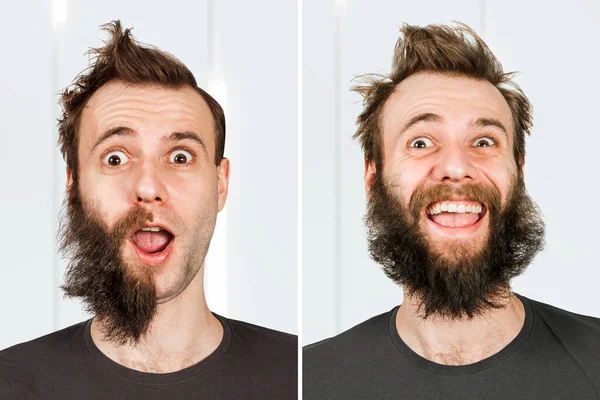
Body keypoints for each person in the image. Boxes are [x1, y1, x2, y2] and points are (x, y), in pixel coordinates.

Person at [0, 21, 297, 399]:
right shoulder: (10, 384)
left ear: (221, 184)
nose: (148, 188)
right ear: (73, 187)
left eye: (179, 156)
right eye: (115, 157)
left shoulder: (296, 376)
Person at [304, 22, 599, 399]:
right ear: (373, 179)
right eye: (421, 142)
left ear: (518, 172)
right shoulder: (310, 381)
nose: (456, 167)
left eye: (483, 141)